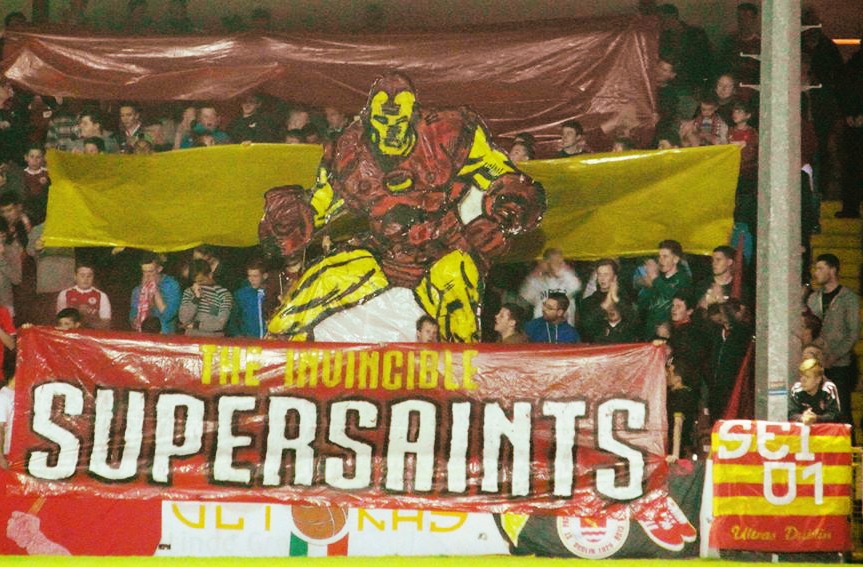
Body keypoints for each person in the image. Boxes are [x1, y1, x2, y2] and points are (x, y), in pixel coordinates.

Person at [260, 72, 544, 342]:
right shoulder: (348, 150)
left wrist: (504, 215)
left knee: (458, 290)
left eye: (399, 120)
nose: (391, 130)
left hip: (443, 249)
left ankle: (462, 374)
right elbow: (321, 204)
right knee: (312, 292)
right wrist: (292, 220)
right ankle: (275, 364)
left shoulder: (450, 133)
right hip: (384, 252)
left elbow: (507, 178)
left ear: (413, 115)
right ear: (369, 118)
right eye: (383, 120)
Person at [806, 253, 860, 425]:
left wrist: (834, 355)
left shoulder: (849, 298)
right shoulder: (813, 298)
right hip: (816, 363)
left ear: (833, 270)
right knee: (817, 411)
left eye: (820, 268)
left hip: (840, 365)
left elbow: (853, 333)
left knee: (842, 411)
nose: (816, 272)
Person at [637, 240, 691, 339]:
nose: (661, 261)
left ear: (675, 259)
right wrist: (645, 285)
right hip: (650, 332)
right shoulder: (658, 279)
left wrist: (654, 278)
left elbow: (673, 295)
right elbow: (643, 305)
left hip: (670, 333)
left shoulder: (683, 279)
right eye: (659, 256)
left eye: (665, 256)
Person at [519, 248, 581, 327]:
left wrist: (559, 271)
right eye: (552, 260)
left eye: (557, 261)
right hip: (541, 327)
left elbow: (576, 287)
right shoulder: (537, 280)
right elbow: (526, 295)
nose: (554, 263)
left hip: (563, 327)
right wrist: (537, 271)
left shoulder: (567, 277)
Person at [179, 259, 232, 337]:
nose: (198, 284)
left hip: (213, 340)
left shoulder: (224, 294)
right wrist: (196, 298)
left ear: (210, 275)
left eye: (201, 281)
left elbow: (220, 323)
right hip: (190, 339)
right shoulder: (189, 291)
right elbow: (184, 319)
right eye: (195, 281)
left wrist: (195, 325)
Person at [130, 252, 181, 334]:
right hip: (144, 334)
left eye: (151, 271)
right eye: (144, 272)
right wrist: (135, 320)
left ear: (159, 269)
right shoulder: (138, 290)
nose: (147, 275)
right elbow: (133, 316)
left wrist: (156, 292)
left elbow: (168, 315)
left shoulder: (171, 285)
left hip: (165, 335)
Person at [56, 263, 111, 329]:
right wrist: (78, 312)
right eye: (82, 275)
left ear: (93, 277)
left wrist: (88, 317)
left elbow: (106, 323)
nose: (86, 279)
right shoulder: (64, 294)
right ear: (75, 277)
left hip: (92, 333)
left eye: (89, 276)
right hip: (70, 333)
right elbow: (60, 321)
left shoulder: (102, 296)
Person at [788, 357, 841, 425]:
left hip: (825, 429)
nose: (802, 380)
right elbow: (790, 413)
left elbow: (835, 415)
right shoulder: (796, 389)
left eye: (807, 377)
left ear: (818, 379)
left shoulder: (828, 388)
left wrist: (816, 418)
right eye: (801, 376)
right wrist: (802, 418)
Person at [666, 357, 697, 462]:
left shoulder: (682, 394)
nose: (666, 375)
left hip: (677, 451)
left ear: (678, 379)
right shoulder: (675, 393)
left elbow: (678, 423)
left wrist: (675, 455)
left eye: (669, 373)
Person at [231, 260, 271, 338]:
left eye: (255, 276)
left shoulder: (273, 294)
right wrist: (238, 336)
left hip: (270, 340)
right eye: (249, 276)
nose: (251, 280)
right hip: (248, 341)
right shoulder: (241, 295)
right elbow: (232, 320)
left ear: (265, 276)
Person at [0, 374, 14, 469]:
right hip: (6, 455)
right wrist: (0, 457)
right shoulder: (3, 397)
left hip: (17, 453)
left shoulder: (21, 393)